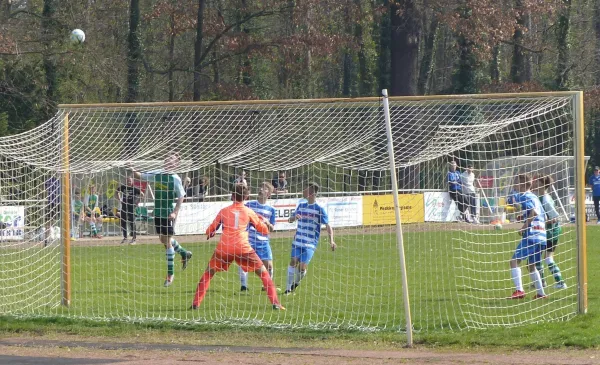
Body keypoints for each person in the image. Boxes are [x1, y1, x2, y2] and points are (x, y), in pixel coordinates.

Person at [192, 184, 284, 310]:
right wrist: (264, 221)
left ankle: (196, 304)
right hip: (243, 248)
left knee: (208, 273)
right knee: (264, 274)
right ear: (246, 197)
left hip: (224, 248)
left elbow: (209, 230)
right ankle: (275, 303)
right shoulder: (249, 211)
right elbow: (264, 231)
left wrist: (211, 232)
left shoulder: (224, 211)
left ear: (232, 196)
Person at [131, 152, 192, 287]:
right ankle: (184, 253)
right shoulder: (157, 174)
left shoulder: (175, 178)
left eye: (171, 160)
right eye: (167, 159)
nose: (168, 162)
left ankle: (170, 274)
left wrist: (175, 212)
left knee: (167, 241)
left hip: (168, 213)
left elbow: (181, 196)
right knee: (163, 240)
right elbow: (140, 176)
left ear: (176, 164)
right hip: (157, 213)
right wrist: (131, 167)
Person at [285, 182, 336, 295]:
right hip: (298, 240)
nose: (303, 191)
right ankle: (287, 289)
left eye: (305, 189)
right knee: (293, 261)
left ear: (311, 193)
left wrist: (331, 240)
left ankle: (296, 283)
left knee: (302, 267)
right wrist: (294, 218)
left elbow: (328, 225)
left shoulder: (319, 209)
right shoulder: (301, 206)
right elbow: (289, 220)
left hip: (310, 243)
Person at [508, 174, 547, 300]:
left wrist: (524, 226)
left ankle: (519, 290)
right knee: (531, 266)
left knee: (514, 261)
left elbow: (534, 212)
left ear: (522, 184)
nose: (514, 185)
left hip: (532, 235)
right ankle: (541, 294)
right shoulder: (535, 196)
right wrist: (524, 216)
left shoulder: (524, 196)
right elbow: (544, 216)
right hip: (542, 235)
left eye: (516, 182)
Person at [239, 181, 277, 292]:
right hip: (249, 239)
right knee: (243, 262)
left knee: (269, 266)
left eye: (264, 188)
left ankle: (267, 286)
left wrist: (267, 223)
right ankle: (244, 286)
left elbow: (272, 229)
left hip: (263, 241)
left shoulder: (271, 210)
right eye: (260, 187)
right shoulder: (249, 205)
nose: (261, 190)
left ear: (269, 194)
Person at [534, 175, 566, 289]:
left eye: (536, 182)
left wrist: (542, 222)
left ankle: (560, 283)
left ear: (542, 185)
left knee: (542, 257)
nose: (534, 183)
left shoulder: (546, 200)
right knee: (538, 256)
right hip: (549, 232)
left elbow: (556, 218)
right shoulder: (540, 196)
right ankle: (542, 282)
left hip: (551, 232)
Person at [116, 177, 143, 245]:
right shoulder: (123, 187)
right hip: (124, 207)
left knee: (132, 222)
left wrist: (137, 202)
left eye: (130, 181)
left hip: (131, 207)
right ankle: (125, 238)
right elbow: (117, 192)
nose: (128, 182)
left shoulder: (135, 188)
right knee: (123, 222)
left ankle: (134, 239)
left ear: (132, 182)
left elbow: (142, 194)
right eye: (127, 181)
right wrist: (119, 199)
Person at [44, 176, 60, 247]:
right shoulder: (50, 180)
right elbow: (43, 189)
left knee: (64, 220)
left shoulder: (62, 180)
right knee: (48, 221)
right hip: (51, 203)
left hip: (60, 203)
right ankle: (46, 239)